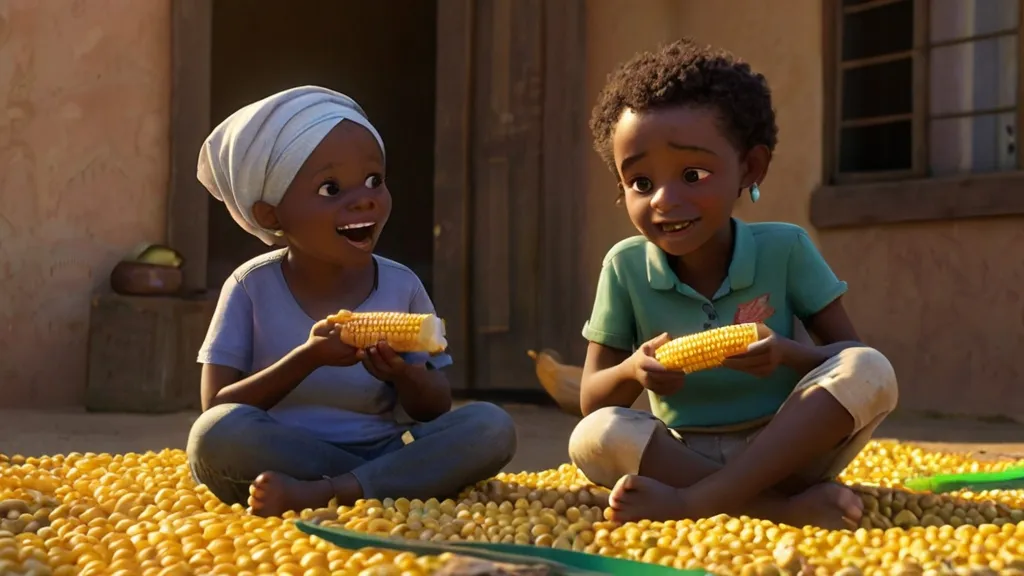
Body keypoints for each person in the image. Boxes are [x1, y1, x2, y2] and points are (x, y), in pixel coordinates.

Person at [567, 40, 898, 529]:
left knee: (871, 368)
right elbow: (591, 399)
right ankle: (779, 508)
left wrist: (787, 353)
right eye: (640, 182)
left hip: (789, 448)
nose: (663, 199)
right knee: (593, 435)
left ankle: (695, 504)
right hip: (682, 456)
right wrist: (633, 371)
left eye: (692, 174)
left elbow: (846, 352)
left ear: (750, 167)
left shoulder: (785, 249)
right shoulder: (624, 267)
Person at [187, 86, 518, 517]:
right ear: (271, 215)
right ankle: (385, 483)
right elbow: (215, 405)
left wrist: (404, 375)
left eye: (374, 180)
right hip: (285, 449)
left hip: (384, 443)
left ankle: (331, 492)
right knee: (214, 435)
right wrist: (307, 358)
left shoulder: (402, 285)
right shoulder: (250, 286)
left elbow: (434, 407)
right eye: (330, 188)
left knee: (491, 425)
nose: (364, 198)